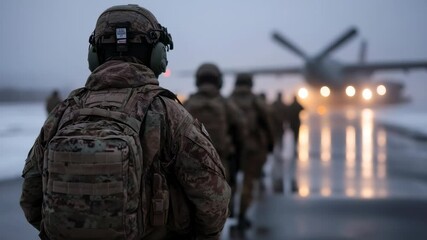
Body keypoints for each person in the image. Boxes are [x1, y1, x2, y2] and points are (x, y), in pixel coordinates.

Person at [20, 4, 230, 240]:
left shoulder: (64, 112)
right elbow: (214, 202)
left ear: (94, 54)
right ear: (158, 54)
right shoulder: (168, 113)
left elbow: (31, 199)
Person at [183, 63, 246, 218]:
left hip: (190, 164)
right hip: (220, 162)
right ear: (219, 82)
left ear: (197, 81)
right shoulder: (226, 104)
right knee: (218, 207)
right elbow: (241, 130)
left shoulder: (187, 105)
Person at [229, 73, 274, 230]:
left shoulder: (229, 100)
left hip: (232, 149)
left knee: (229, 181)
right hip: (252, 148)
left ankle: (228, 211)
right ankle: (241, 215)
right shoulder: (256, 102)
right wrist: (270, 144)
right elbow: (268, 124)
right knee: (248, 182)